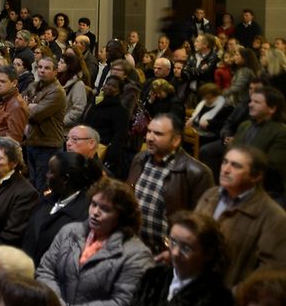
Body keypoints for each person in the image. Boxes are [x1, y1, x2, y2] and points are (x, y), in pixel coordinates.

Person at [37, 177, 153, 306]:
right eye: (93, 204)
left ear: (122, 216)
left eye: (105, 209)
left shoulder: (136, 253)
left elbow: (121, 304)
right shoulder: (70, 232)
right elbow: (46, 270)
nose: (95, 212)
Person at [195, 144, 286, 286]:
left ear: (256, 176)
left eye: (236, 166)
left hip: (229, 300)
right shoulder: (210, 195)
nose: (225, 169)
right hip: (194, 286)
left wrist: (235, 296)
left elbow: (269, 274)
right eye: (225, 162)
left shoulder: (273, 217)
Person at [128, 114, 215, 256]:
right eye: (149, 131)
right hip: (134, 247)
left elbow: (202, 225)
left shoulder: (197, 173)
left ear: (176, 140)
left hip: (169, 255)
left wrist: (176, 251)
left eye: (157, 134)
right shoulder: (140, 159)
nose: (149, 137)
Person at [20, 151, 104, 265]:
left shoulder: (83, 215)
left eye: (51, 172)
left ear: (65, 179)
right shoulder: (46, 198)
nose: (46, 175)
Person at [230, 86, 286, 196]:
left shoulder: (281, 132)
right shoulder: (244, 126)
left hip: (265, 191)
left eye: (257, 102)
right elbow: (232, 151)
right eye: (251, 101)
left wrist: (241, 166)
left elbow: (273, 169)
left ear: (272, 108)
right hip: (237, 183)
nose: (250, 104)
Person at [22, 55, 67, 191]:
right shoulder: (33, 85)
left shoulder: (57, 91)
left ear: (55, 72)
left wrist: (29, 106)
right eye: (40, 67)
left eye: (47, 68)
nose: (42, 70)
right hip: (32, 141)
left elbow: (35, 115)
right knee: (32, 182)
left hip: (48, 144)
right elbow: (20, 106)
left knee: (43, 185)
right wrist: (29, 106)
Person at [85, 74, 131, 176]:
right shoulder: (96, 102)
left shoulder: (120, 110)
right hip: (86, 145)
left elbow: (119, 135)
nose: (108, 87)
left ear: (119, 91)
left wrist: (111, 158)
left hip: (101, 149)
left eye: (113, 86)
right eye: (107, 84)